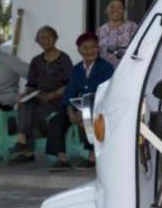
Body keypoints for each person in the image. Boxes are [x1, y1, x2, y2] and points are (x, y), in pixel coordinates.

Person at [46, 32, 114, 170]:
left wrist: (84, 111)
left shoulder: (106, 67)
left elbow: (106, 93)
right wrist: (70, 112)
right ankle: (62, 159)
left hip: (98, 106)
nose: (90, 51)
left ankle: (92, 157)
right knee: (56, 120)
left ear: (98, 48)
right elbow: (70, 92)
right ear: (79, 50)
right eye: (85, 48)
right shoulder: (77, 69)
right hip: (78, 105)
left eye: (93, 47)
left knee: (87, 117)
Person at [9, 26, 73, 163]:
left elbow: (70, 84)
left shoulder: (64, 59)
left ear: (55, 38)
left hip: (58, 99)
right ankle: (23, 141)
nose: (46, 40)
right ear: (37, 41)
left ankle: (26, 148)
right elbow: (31, 84)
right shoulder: (36, 61)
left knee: (29, 114)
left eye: (49, 37)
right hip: (39, 97)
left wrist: (52, 95)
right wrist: (26, 95)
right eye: (42, 38)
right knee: (24, 103)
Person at [96, 0, 138, 67]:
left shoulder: (132, 27)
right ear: (106, 10)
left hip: (126, 69)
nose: (115, 10)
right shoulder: (100, 30)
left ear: (124, 10)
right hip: (105, 71)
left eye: (119, 7)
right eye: (112, 7)